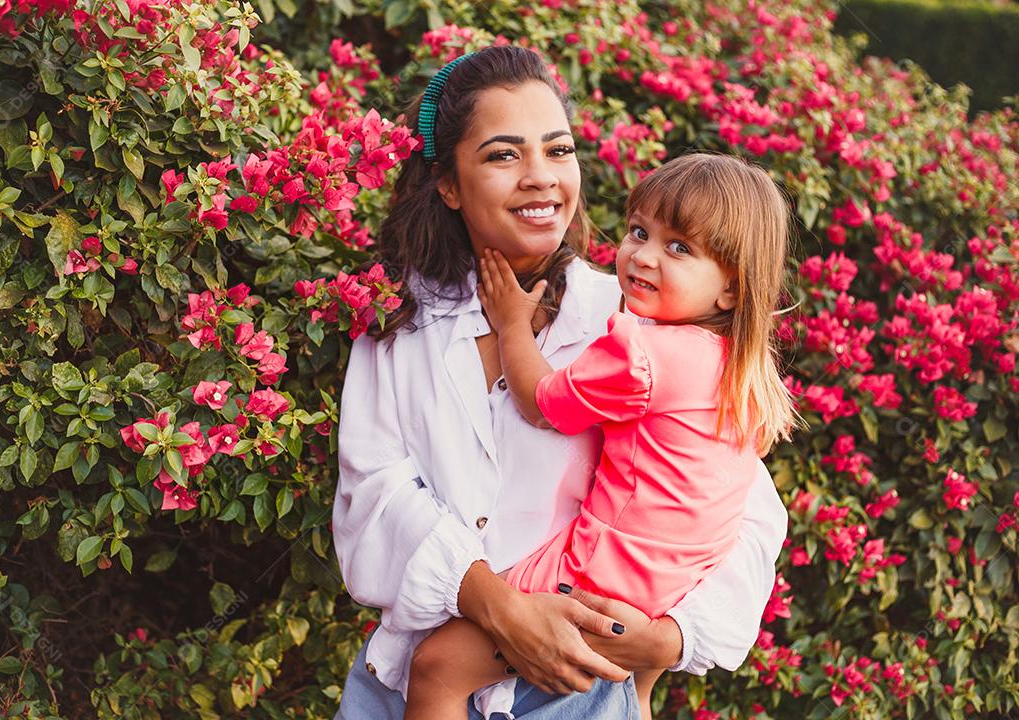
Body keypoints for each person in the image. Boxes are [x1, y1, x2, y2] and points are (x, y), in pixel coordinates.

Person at [332, 46, 789, 720]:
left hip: (577, 692)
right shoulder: (400, 325)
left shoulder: (635, 323)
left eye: (559, 150)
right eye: (502, 155)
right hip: (404, 688)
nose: (541, 179)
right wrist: (495, 604)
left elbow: (741, 513)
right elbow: (374, 492)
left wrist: (669, 639)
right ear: (451, 183)